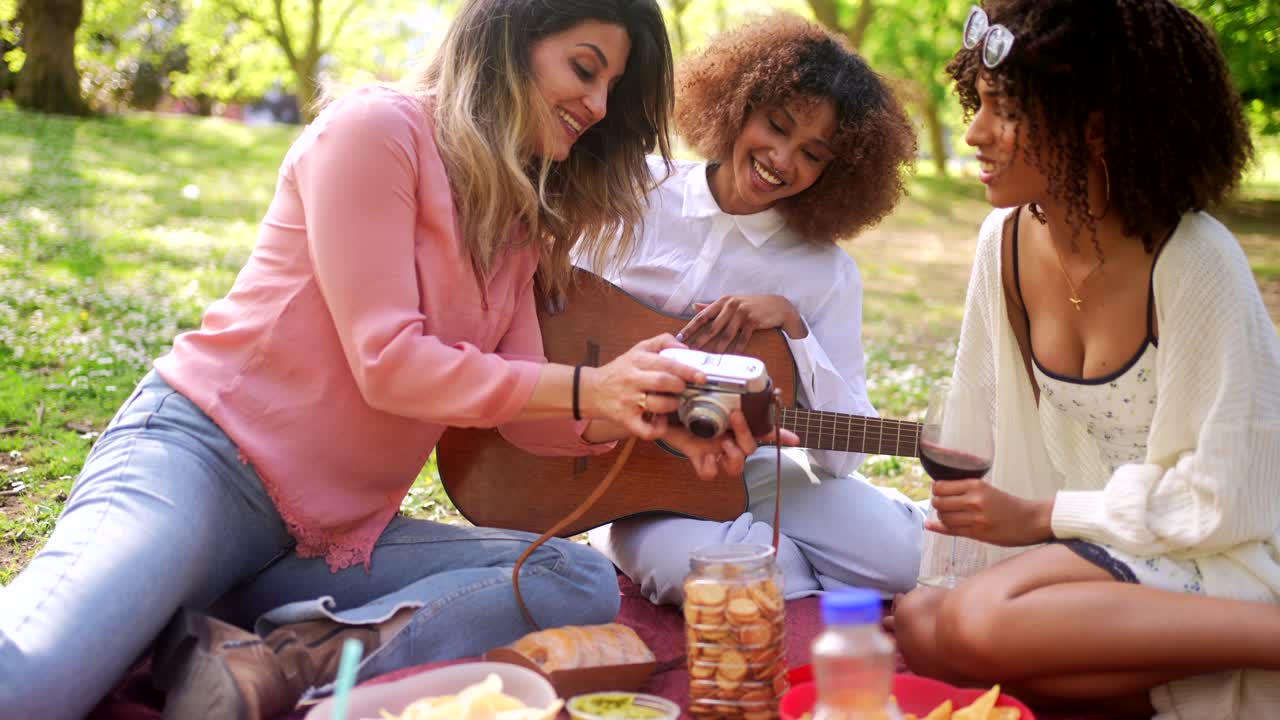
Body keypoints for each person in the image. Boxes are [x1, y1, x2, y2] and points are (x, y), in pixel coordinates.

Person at [0, 2, 788, 718]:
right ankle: (180, 610)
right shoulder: (375, 131)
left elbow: (523, 416)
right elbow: (389, 362)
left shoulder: (515, 213)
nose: (599, 106)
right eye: (585, 69)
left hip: (328, 537)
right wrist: (593, 385)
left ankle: (281, 659)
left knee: (569, 579)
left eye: (613, 87)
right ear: (510, 40)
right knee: (35, 679)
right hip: (201, 465)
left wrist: (642, 407)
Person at [890, 1, 1280, 717]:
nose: (975, 132)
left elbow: (1229, 500)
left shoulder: (1194, 260)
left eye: (1005, 110)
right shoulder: (1003, 244)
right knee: (922, 624)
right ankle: (1163, 685)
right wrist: (983, 547)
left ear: (1094, 124)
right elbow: (986, 424)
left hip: (1211, 555)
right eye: (979, 103)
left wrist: (1044, 518)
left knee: (973, 627)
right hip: (1096, 554)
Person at [580, 15, 925, 605]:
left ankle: (765, 553)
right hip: (627, 473)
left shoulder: (827, 272)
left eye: (812, 153)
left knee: (896, 561)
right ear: (738, 104)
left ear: (834, 173)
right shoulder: (634, 195)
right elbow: (558, 317)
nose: (782, 159)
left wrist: (794, 326)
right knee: (698, 577)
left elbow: (843, 459)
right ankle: (651, 543)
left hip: (755, 472)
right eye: (776, 125)